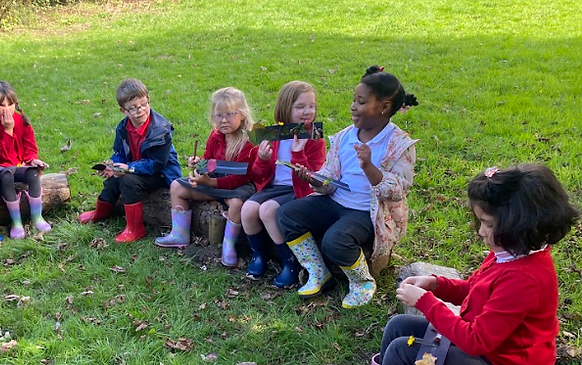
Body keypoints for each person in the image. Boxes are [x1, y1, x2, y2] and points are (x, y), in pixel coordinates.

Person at [376, 164, 579, 365]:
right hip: (485, 346)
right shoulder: (507, 253)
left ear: (521, 226)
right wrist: (436, 284)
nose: (481, 231)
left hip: (501, 359)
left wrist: (426, 302)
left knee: (402, 351)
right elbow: (474, 291)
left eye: (489, 224)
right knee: (398, 326)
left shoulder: (523, 280)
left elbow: (475, 341)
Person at [277, 66, 419, 308]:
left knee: (334, 240)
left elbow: (398, 190)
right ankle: (318, 270)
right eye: (354, 100)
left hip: (366, 211)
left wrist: (369, 167)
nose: (353, 106)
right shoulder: (345, 136)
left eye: (361, 102)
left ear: (384, 107)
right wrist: (314, 179)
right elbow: (330, 174)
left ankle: (362, 281)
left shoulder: (398, 144)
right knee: (287, 214)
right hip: (335, 201)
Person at [155, 87, 258, 267]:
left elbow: (240, 178)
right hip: (215, 181)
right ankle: (179, 233)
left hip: (238, 185)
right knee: (177, 187)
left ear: (242, 114)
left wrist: (211, 182)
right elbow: (208, 159)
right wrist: (198, 165)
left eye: (229, 114)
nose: (223, 120)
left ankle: (228, 245)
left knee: (237, 204)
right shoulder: (216, 135)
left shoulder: (248, 142)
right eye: (218, 115)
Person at [241, 81, 326, 286]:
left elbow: (313, 177)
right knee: (248, 209)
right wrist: (262, 159)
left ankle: (289, 263)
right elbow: (258, 176)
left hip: (299, 189)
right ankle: (259, 255)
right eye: (300, 107)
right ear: (285, 108)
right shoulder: (274, 135)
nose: (307, 111)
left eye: (311, 106)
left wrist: (298, 153)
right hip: (274, 188)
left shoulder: (314, 138)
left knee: (267, 210)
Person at [78, 79, 182, 243]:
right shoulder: (123, 127)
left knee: (128, 180)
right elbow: (119, 152)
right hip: (135, 168)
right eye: (132, 108)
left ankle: (135, 228)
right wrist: (113, 167)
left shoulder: (161, 131)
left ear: (148, 100)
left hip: (160, 174)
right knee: (114, 179)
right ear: (123, 111)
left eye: (143, 104)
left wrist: (128, 168)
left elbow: (157, 164)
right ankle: (102, 211)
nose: (139, 110)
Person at [0, 81, 51, 239]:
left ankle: (37, 217)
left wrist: (32, 159)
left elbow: (30, 147)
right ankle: (16, 222)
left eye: (10, 104)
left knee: (33, 172)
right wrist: (8, 130)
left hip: (20, 166)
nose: (7, 109)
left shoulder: (22, 121)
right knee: (7, 174)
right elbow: (3, 155)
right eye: (1, 105)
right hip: (0, 169)